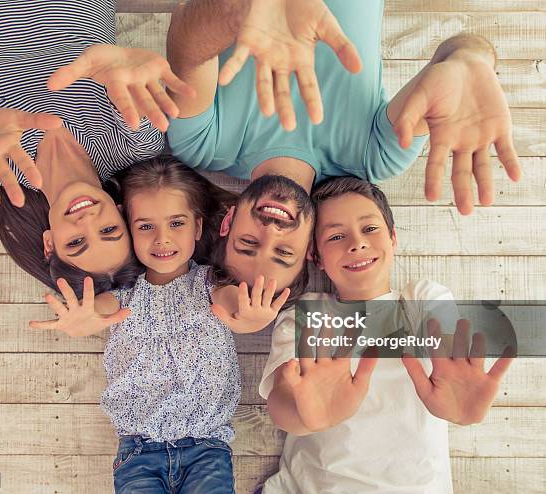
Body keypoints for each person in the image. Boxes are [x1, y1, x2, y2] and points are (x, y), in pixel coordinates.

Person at [162, 0, 521, 295]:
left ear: (227, 223)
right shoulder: (375, 157)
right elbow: (458, 47)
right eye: (283, 252)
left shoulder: (202, 146)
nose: (270, 232)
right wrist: (470, 61)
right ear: (310, 251)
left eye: (248, 244)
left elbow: (184, 39)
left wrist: (242, 9)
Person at [30, 157, 291, 493]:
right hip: (138, 451)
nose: (162, 239)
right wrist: (85, 317)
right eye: (145, 226)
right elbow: (101, 310)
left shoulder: (211, 285)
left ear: (197, 227)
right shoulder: (124, 294)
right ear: (128, 229)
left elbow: (232, 306)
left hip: (206, 449)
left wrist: (249, 318)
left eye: (176, 224)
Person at [257, 176, 514, 493]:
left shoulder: (422, 300)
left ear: (393, 238)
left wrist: (461, 411)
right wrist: (306, 417)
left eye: (369, 229)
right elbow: (281, 403)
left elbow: (449, 350)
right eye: (336, 236)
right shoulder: (305, 316)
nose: (357, 243)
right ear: (316, 257)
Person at [0, 0, 194, 296]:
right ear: (121, 213)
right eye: (108, 231)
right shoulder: (133, 145)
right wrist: (129, 73)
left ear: (49, 244)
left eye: (76, 242)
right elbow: (132, 92)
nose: (87, 221)